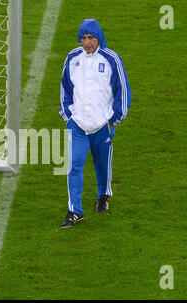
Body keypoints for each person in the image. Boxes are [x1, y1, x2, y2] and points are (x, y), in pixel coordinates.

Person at [59, 19, 132, 228]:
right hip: (78, 124)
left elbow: (123, 92)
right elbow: (65, 89)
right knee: (74, 165)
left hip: (103, 124)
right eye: (83, 38)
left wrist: (113, 120)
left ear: (98, 37)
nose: (87, 42)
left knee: (102, 164)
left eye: (90, 38)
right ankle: (75, 211)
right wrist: (68, 116)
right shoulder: (73, 58)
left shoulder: (111, 59)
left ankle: (103, 196)